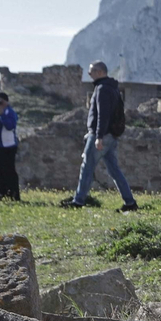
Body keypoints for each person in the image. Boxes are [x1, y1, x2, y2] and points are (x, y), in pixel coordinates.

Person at [62, 61, 138, 211]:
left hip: (102, 135)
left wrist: (98, 136)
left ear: (100, 72)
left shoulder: (102, 89)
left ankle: (78, 201)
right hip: (111, 135)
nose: (89, 75)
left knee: (87, 167)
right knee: (114, 170)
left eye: (91, 72)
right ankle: (130, 202)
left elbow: (103, 115)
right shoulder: (113, 88)